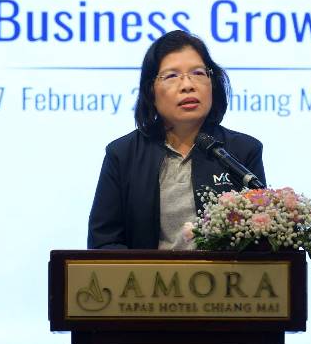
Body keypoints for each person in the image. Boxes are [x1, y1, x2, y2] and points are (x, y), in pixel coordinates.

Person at [87, 30, 266, 250]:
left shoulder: (243, 151)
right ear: (151, 90)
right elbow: (104, 242)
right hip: (145, 273)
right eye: (172, 76)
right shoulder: (123, 155)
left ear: (213, 83)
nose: (187, 85)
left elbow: (259, 242)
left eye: (198, 73)